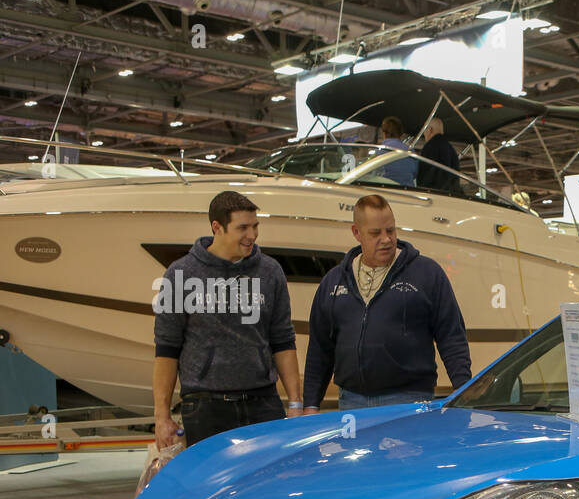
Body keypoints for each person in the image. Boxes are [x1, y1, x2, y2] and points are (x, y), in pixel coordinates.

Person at [153, 191, 301, 448]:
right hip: (205, 408)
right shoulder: (181, 274)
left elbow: (283, 340)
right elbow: (167, 348)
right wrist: (161, 416)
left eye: (255, 226)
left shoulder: (270, 271)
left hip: (263, 403)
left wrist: (295, 403)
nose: (252, 235)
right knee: (211, 487)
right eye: (242, 227)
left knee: (268, 485)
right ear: (217, 227)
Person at [303, 194, 472, 411]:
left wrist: (464, 392)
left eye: (390, 230)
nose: (386, 239)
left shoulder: (426, 274)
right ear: (357, 233)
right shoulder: (334, 281)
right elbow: (319, 349)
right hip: (351, 402)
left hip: (410, 399)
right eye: (375, 233)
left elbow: (452, 337)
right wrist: (310, 403)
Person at [417, 117, 461, 193]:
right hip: (452, 194)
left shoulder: (430, 146)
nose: (424, 134)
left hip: (434, 193)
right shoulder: (451, 149)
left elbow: (426, 173)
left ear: (430, 129)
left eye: (425, 130)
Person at [378, 116, 417, 188]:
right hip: (408, 190)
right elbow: (414, 173)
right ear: (401, 133)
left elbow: (373, 173)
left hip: (385, 189)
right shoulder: (410, 150)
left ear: (384, 132)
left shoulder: (380, 150)